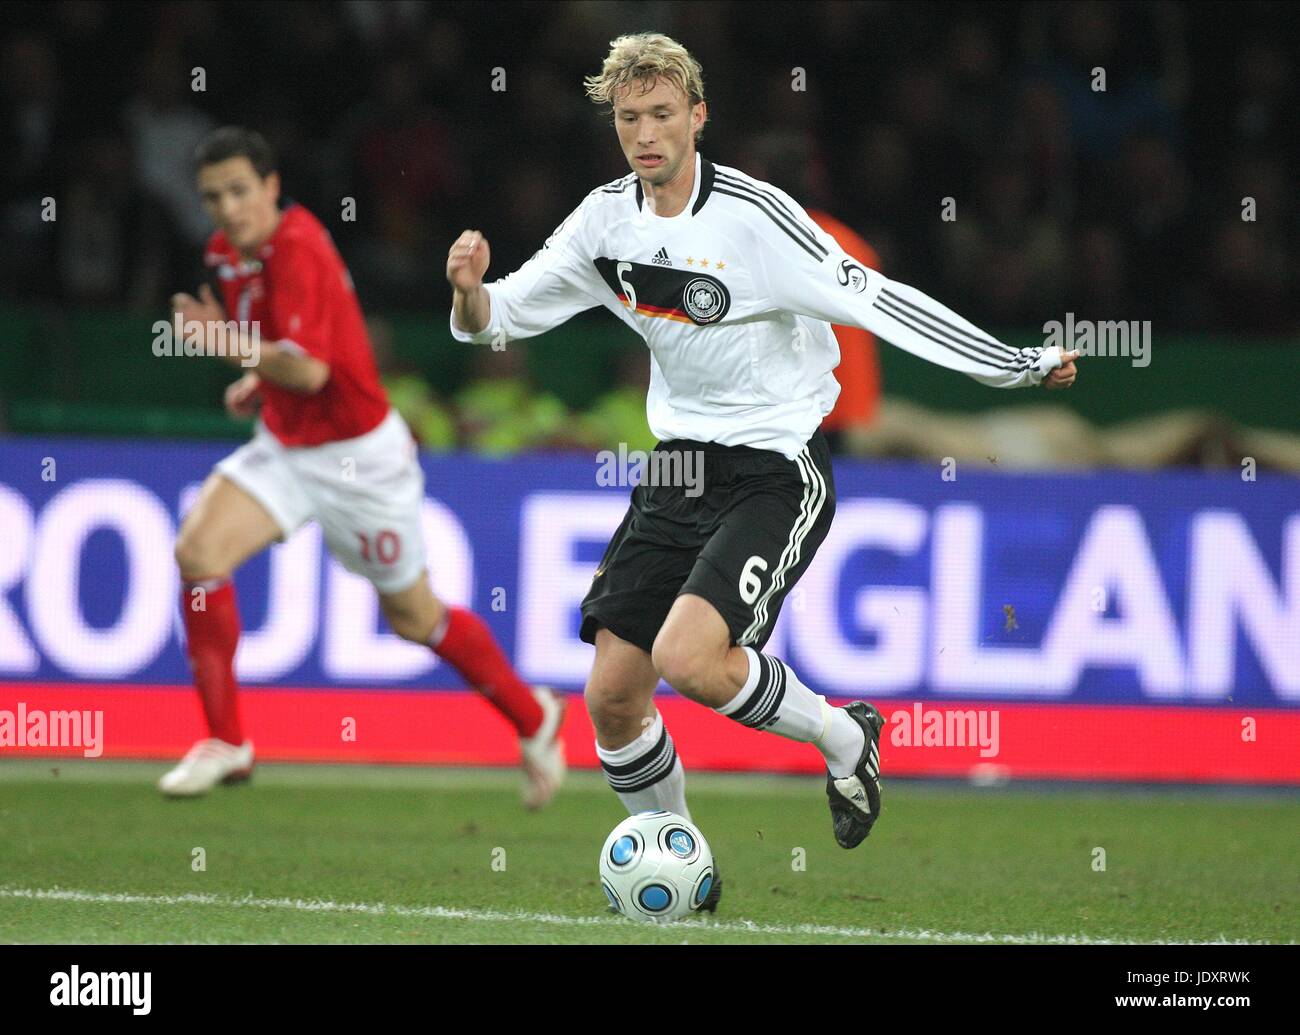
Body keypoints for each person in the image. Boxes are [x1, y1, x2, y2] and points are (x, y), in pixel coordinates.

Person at [445, 34, 1078, 908]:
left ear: (698, 116)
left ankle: (844, 736)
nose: (645, 134)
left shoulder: (755, 218)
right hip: (678, 469)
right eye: (629, 118)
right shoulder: (604, 220)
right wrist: (471, 293)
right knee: (613, 697)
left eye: (662, 114)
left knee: (690, 656)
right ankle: (682, 872)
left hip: (776, 464)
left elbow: (881, 303)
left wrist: (1010, 361)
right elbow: (503, 316)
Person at [163, 127, 566, 805]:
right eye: (213, 197)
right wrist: (259, 382)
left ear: (270, 187)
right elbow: (284, 352)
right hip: (286, 447)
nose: (228, 209)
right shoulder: (225, 254)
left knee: (413, 617)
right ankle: (227, 740)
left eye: (239, 190)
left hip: (360, 459)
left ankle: (535, 717)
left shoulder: (302, 247)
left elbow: (312, 367)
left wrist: (228, 346)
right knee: (198, 551)